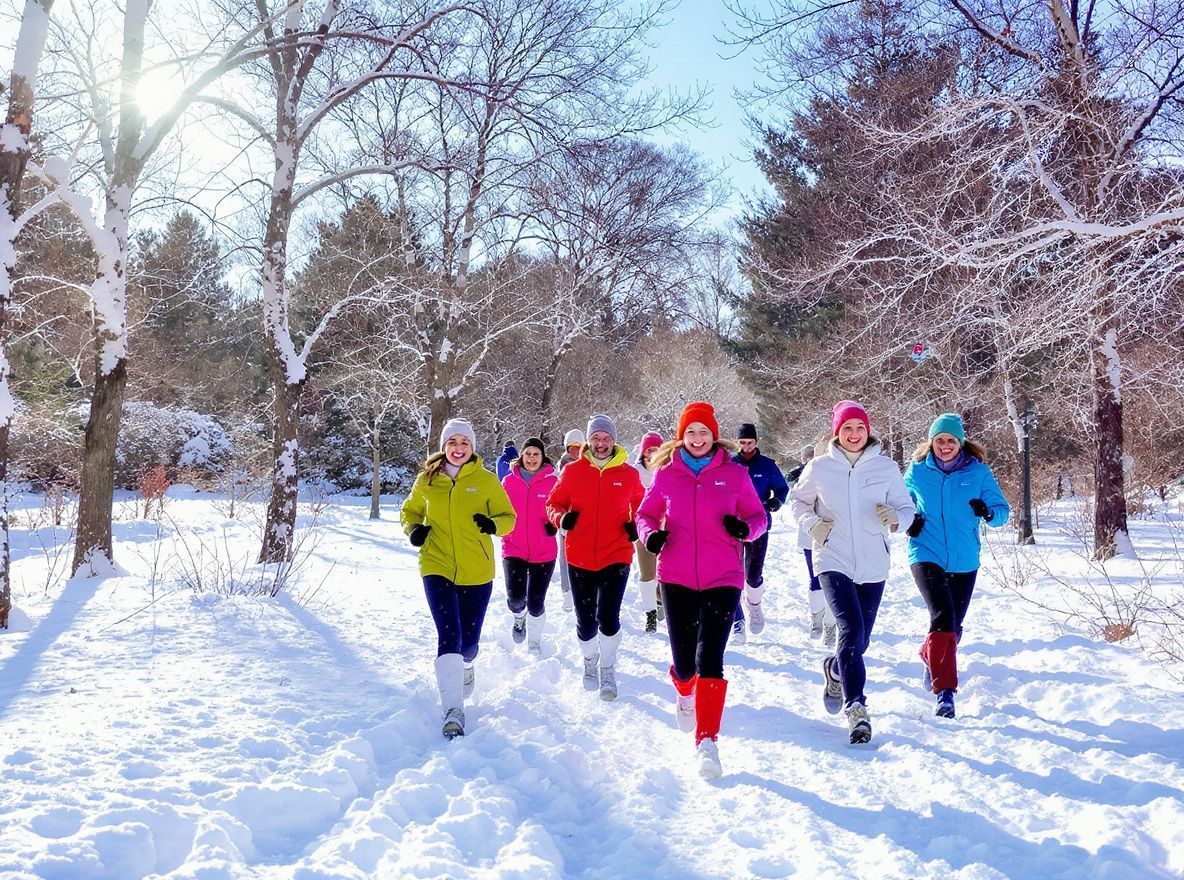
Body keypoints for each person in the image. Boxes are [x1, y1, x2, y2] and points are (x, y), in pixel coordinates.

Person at [637, 402, 767, 778]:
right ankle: (683, 690)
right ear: (682, 436)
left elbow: (758, 516)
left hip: (723, 576)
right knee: (684, 663)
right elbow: (645, 515)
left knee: (711, 659)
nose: (697, 439)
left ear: (714, 436)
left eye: (704, 433)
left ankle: (707, 742)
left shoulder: (734, 474)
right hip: (675, 576)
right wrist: (651, 536)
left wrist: (747, 530)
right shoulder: (666, 475)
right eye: (691, 432)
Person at [791, 401, 914, 744]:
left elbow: (907, 509)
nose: (854, 434)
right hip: (832, 558)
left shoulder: (886, 468)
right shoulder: (819, 467)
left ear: (868, 430)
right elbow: (798, 503)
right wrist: (813, 523)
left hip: (874, 562)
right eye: (847, 428)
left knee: (859, 641)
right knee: (850, 627)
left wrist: (896, 518)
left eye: (859, 427)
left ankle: (834, 669)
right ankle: (856, 707)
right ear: (837, 432)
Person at [402, 419, 515, 738]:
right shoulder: (427, 480)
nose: (458, 448)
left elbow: (509, 518)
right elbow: (409, 512)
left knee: (469, 644)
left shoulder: (487, 481)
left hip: (477, 570)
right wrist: (414, 531)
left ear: (472, 447)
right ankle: (453, 710)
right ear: (444, 446)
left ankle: (466, 666)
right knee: (448, 634)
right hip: (435, 565)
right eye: (453, 442)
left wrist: (493, 526)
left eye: (464, 442)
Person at [904, 413, 1010, 718]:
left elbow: (1004, 511)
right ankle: (945, 693)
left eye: (951, 440)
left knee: (953, 627)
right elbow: (898, 503)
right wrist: (909, 522)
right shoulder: (916, 472)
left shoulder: (978, 473)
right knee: (942, 618)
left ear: (960, 442)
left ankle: (930, 654)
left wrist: (988, 512)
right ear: (932, 442)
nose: (945, 445)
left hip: (964, 560)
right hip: (925, 552)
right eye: (940, 440)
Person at [546, 415, 644, 700]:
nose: (601, 444)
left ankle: (608, 668)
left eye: (606, 438)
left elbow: (643, 506)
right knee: (586, 621)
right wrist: (562, 519)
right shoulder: (573, 472)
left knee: (608, 617)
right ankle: (590, 660)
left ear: (614, 441)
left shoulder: (629, 475)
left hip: (617, 554)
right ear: (588, 442)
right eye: (596, 438)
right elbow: (553, 503)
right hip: (579, 556)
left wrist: (636, 525)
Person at [501, 437, 560, 656]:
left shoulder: (553, 482)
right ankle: (518, 617)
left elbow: (563, 507)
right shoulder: (508, 481)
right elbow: (499, 509)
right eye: (528, 454)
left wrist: (555, 523)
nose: (532, 458)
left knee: (536, 604)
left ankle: (534, 640)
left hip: (543, 551)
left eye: (536, 454)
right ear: (521, 456)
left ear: (542, 457)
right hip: (513, 547)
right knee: (516, 599)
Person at [732, 422, 790, 641]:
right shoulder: (730, 464)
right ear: (738, 443)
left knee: (753, 575)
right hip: (732, 528)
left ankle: (754, 605)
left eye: (750, 442)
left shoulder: (767, 466)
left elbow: (783, 488)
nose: (746, 446)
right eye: (743, 442)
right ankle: (737, 620)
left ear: (756, 442)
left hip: (758, 526)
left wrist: (776, 501)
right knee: (732, 575)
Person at [792, 443, 836, 643]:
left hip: (835, 537)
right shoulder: (805, 477)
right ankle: (817, 617)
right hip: (811, 536)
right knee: (815, 578)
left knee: (834, 581)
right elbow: (798, 503)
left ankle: (829, 624)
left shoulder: (836, 475)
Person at [633, 431, 664, 633]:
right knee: (647, 574)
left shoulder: (670, 471)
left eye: (656, 449)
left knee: (665, 572)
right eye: (648, 450)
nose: (652, 454)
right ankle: (650, 614)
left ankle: (660, 600)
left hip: (668, 529)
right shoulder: (634, 472)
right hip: (642, 528)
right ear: (643, 453)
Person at [555, 429, 585, 613]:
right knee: (566, 556)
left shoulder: (587, 464)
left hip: (585, 518)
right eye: (571, 447)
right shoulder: (564, 467)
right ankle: (567, 592)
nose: (575, 450)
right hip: (567, 518)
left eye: (578, 447)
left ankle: (580, 590)